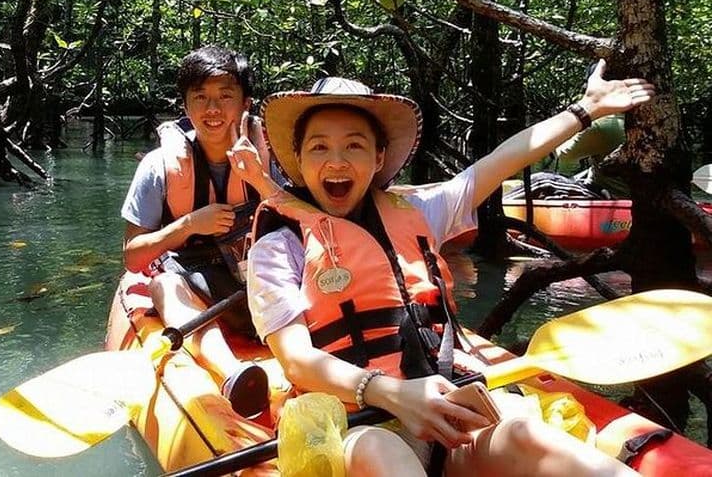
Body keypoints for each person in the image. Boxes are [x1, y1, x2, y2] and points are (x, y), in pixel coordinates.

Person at [246, 61, 654, 476]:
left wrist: (586, 110)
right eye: (319, 147)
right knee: (379, 450)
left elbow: (501, 160)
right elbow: (295, 360)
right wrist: (389, 393)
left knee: (524, 435)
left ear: (379, 156)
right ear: (298, 157)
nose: (336, 161)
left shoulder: (420, 212)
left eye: (354, 145)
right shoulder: (279, 244)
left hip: (451, 402)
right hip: (357, 419)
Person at [121, 46, 281, 418]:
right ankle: (232, 375)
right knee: (162, 284)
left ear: (246, 104)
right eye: (201, 98)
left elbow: (308, 223)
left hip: (262, 280)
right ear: (186, 104)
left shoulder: (273, 156)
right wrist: (189, 224)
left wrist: (261, 180)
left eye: (226, 97)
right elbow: (133, 256)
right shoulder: (158, 166)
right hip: (196, 286)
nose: (213, 109)